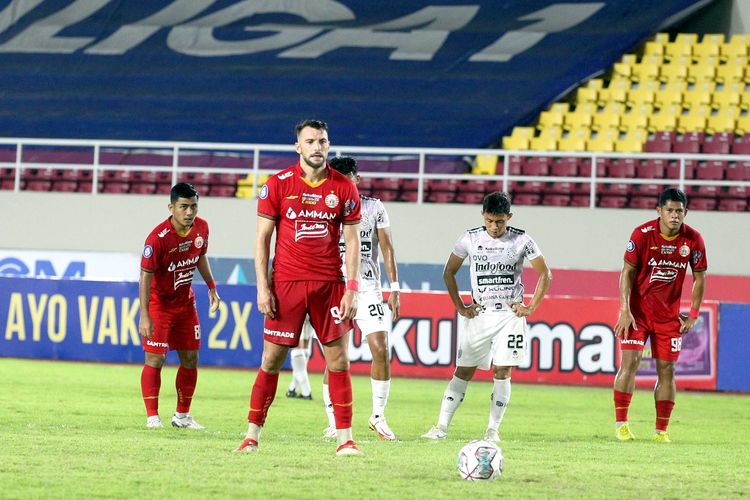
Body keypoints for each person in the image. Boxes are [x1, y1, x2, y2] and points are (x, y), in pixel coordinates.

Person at [235, 119, 363, 455]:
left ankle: (345, 439)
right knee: (271, 360)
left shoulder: (345, 188)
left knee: (338, 362)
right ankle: (252, 435)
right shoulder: (277, 185)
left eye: (322, 141)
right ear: (298, 147)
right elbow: (262, 240)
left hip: (329, 287)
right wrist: (262, 287)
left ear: (328, 145)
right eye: (310, 142)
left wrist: (352, 288)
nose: (317, 147)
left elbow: (352, 243)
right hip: (287, 285)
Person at [422, 191, 551, 442]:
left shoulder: (522, 240)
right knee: (463, 371)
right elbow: (449, 272)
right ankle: (440, 427)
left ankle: (492, 430)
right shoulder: (469, 239)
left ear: (509, 217)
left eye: (500, 221)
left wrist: (530, 307)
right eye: (490, 220)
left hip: (509, 317)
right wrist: (460, 306)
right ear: (483, 215)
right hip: (479, 315)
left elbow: (545, 274)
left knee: (502, 372)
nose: (494, 226)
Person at [291, 156, 401, 441]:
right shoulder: (322, 207)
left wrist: (396, 288)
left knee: (381, 348)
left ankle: (378, 416)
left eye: (348, 179)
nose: (343, 185)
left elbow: (387, 248)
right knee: (335, 358)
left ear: (357, 179)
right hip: (332, 288)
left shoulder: (374, 207)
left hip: (367, 287)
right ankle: (333, 422)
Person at [613, 187, 707, 443]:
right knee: (629, 364)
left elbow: (699, 279)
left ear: (685, 212)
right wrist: (625, 309)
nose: (675, 215)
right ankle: (621, 424)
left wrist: (694, 314)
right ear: (659, 211)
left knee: (667, 371)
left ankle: (661, 431)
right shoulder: (642, 234)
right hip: (637, 315)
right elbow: (627, 272)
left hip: (668, 318)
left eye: (679, 211)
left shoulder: (693, 239)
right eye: (670, 210)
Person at [139, 182, 221, 429]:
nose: (189, 212)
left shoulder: (202, 228)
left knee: (190, 359)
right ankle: (153, 417)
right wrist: (145, 315)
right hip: (159, 306)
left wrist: (211, 286)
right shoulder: (157, 239)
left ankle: (182, 416)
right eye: (184, 207)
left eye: (193, 207)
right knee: (155, 360)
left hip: (186, 304)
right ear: (171, 207)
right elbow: (145, 276)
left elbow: (200, 256)